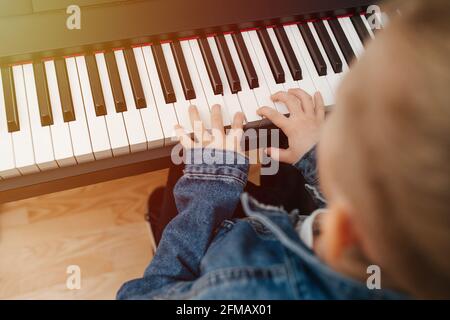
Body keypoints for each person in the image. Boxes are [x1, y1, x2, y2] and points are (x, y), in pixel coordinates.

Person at [117, 0, 450, 299]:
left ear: (342, 227)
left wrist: (209, 184)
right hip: (294, 222)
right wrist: (315, 154)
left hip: (219, 250)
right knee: (278, 149)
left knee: (184, 169)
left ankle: (165, 222)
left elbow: (146, 294)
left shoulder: (238, 290)